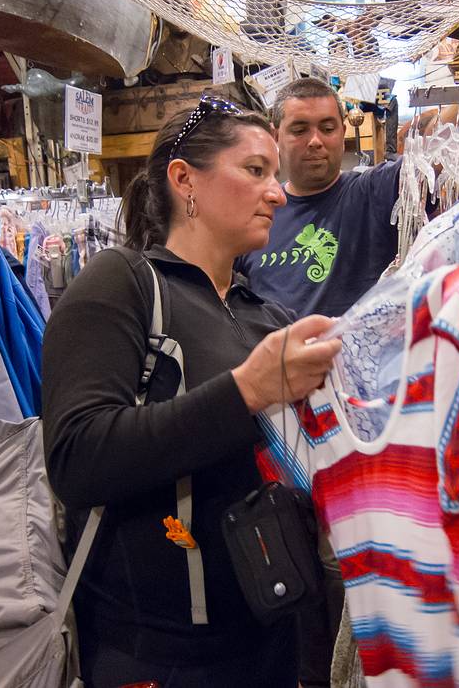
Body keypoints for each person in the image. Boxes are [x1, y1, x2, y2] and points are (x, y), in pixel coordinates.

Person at [41, 95, 342, 688]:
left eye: (275, 176)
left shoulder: (267, 317)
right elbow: (77, 456)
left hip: (277, 647)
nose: (278, 193)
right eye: (256, 171)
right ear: (185, 181)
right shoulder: (123, 284)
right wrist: (246, 392)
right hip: (157, 659)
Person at [235, 77, 402, 319]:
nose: (315, 141)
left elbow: (435, 158)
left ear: (342, 133)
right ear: (276, 136)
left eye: (327, 129)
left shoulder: (372, 193)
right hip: (275, 354)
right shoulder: (257, 211)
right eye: (300, 130)